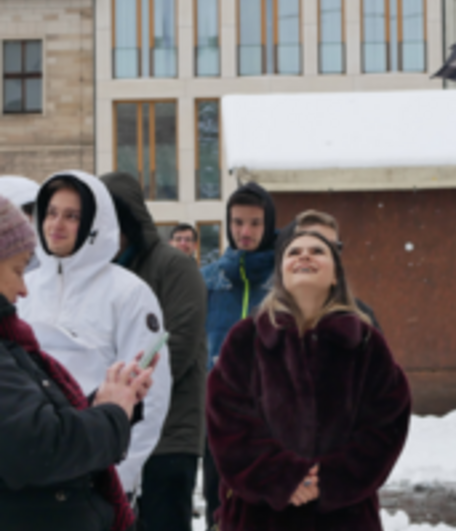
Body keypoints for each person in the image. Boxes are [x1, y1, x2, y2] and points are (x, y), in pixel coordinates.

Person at [206, 229, 411, 531]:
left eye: (317, 251)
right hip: (258, 518)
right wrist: (283, 477)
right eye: (293, 252)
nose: (304, 255)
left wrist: (329, 480)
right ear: (280, 275)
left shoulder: (367, 344)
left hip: (345, 518)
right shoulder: (245, 339)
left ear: (335, 276)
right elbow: (228, 424)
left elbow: (385, 425)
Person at [0, 193, 157, 531]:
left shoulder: (128, 290)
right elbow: (38, 446)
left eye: (72, 215)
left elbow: (32, 426)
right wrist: (110, 414)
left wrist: (109, 402)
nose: (23, 288)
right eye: (16, 269)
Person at [18, 171, 172, 499]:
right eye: (51, 213)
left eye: (72, 216)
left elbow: (148, 396)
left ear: (94, 222)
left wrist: (119, 477)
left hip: (94, 477)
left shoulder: (128, 293)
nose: (56, 224)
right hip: (25, 476)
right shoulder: (21, 287)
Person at [101, 172, 208, 531]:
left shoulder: (174, 266)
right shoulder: (100, 274)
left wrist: (125, 392)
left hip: (171, 434)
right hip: (114, 433)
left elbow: (179, 345)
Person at [201, 181, 277, 527]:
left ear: (269, 224)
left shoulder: (284, 281)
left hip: (275, 416)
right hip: (219, 415)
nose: (245, 231)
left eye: (255, 223)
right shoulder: (209, 280)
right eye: (237, 222)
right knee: (219, 503)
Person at [287, 209, 381, 330]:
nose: (329, 253)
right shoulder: (266, 319)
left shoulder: (361, 317)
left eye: (333, 247)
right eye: (317, 248)